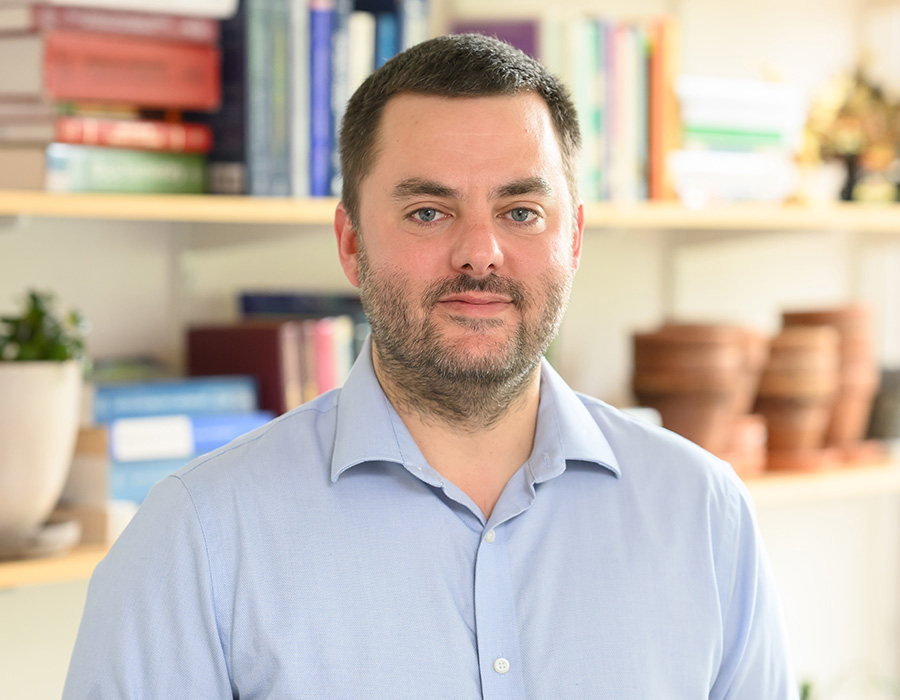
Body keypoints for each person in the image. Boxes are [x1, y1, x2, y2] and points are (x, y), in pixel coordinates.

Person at [63, 34, 798, 699]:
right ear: (351, 243)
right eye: (427, 212)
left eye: (521, 212)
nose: (480, 253)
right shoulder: (199, 538)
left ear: (573, 239)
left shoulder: (705, 515)